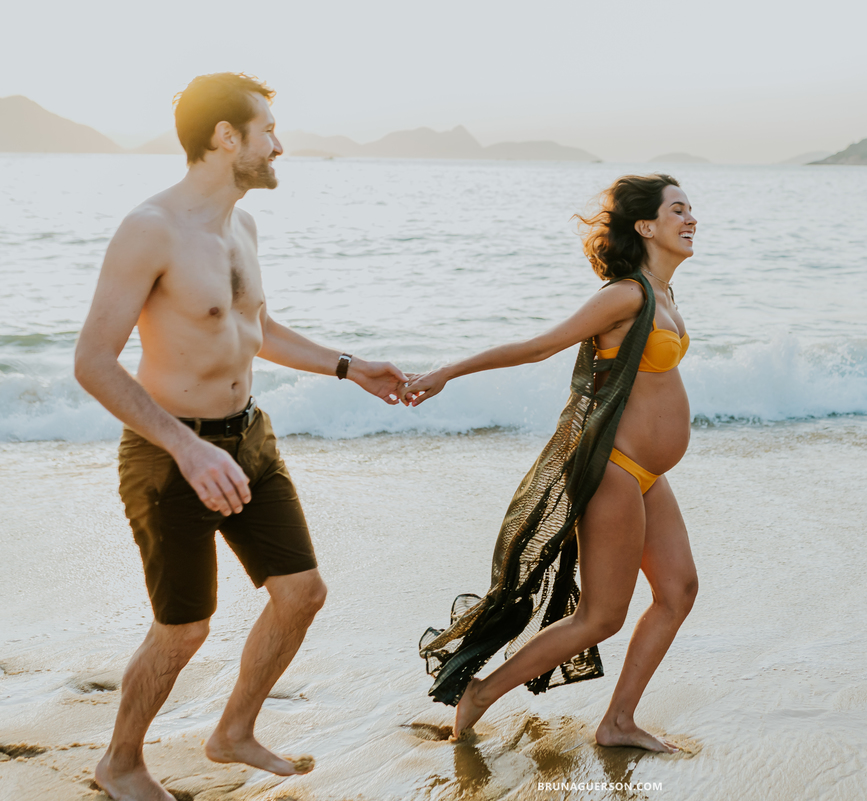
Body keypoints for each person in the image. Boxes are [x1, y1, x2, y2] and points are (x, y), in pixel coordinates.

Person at [74, 73, 409, 801]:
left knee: (302, 593)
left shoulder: (241, 227)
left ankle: (232, 731)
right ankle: (120, 762)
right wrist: (186, 447)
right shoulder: (150, 228)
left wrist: (349, 366)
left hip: (249, 439)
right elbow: (93, 362)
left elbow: (256, 328)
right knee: (184, 628)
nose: (279, 146)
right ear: (227, 137)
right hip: (171, 455)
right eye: (268, 132)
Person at [406, 174, 699, 752]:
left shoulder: (663, 293)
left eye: (691, 210)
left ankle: (618, 722)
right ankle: (481, 693)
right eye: (678, 210)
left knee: (679, 590)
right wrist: (447, 372)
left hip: (647, 475)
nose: (691, 220)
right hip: (614, 469)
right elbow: (539, 346)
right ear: (646, 226)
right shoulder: (627, 294)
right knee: (601, 616)